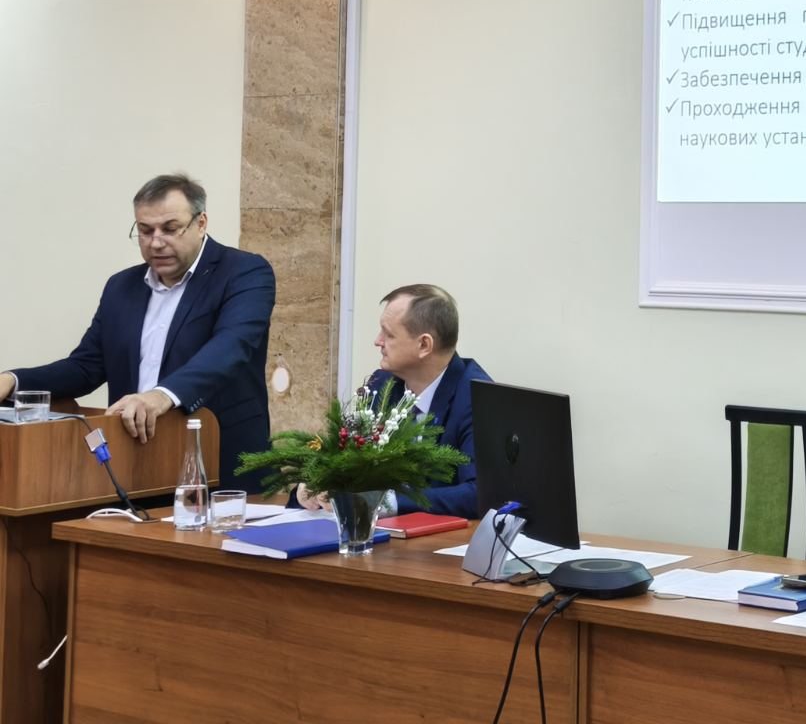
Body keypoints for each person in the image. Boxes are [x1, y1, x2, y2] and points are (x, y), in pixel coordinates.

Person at [0, 174, 274, 491]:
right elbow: (86, 367)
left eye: (170, 229)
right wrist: (13, 380)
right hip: (136, 466)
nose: (156, 242)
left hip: (221, 466)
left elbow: (230, 347)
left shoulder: (244, 272)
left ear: (201, 224)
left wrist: (161, 396)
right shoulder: (121, 287)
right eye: (145, 230)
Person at [301, 284, 489, 518]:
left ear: (424, 345)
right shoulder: (382, 384)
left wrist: (383, 502)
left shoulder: (477, 399)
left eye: (388, 334)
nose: (377, 341)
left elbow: (479, 494)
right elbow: (347, 460)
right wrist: (314, 484)